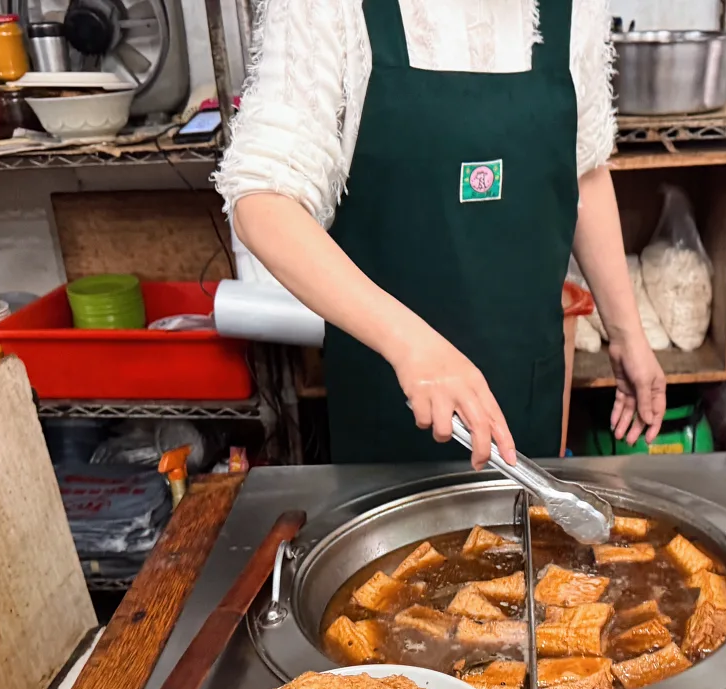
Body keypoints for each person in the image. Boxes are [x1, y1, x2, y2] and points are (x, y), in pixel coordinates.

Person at [216, 0, 666, 467]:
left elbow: (584, 169)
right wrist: (413, 346)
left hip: (527, 402)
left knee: (528, 535)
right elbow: (262, 201)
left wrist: (626, 333)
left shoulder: (577, 9)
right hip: (389, 411)